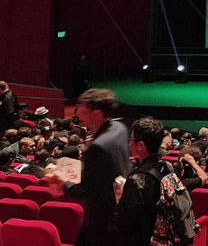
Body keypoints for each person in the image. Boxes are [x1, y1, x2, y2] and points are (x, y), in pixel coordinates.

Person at [52, 88, 130, 246]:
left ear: (96, 112)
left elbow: (87, 189)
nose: (77, 114)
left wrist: (62, 182)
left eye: (82, 110)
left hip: (102, 219)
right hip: (119, 211)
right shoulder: (119, 128)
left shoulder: (99, 146)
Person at [114, 116, 170, 246]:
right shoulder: (167, 167)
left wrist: (119, 197)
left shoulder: (137, 179)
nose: (129, 144)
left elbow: (123, 222)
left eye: (130, 140)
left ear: (140, 145)